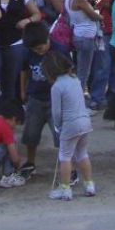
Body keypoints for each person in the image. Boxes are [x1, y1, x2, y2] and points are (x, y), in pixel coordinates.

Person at [42, 51, 96, 201]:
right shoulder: (75, 80)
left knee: (65, 156)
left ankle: (65, 188)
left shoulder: (56, 87)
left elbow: (56, 112)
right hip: (85, 121)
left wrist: (58, 126)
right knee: (82, 154)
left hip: (70, 124)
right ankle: (89, 184)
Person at [18, 22, 55, 176]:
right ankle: (30, 161)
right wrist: (23, 90)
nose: (39, 51)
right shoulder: (28, 53)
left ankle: (68, 165)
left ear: (48, 39)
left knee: (60, 134)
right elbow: (24, 71)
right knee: (30, 133)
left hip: (55, 99)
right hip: (35, 97)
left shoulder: (58, 50)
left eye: (41, 48)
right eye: (35, 50)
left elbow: (69, 72)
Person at [65, 0, 103, 92]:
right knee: (83, 72)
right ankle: (78, 99)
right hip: (86, 36)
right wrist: (101, 16)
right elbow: (93, 15)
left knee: (82, 70)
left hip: (80, 35)